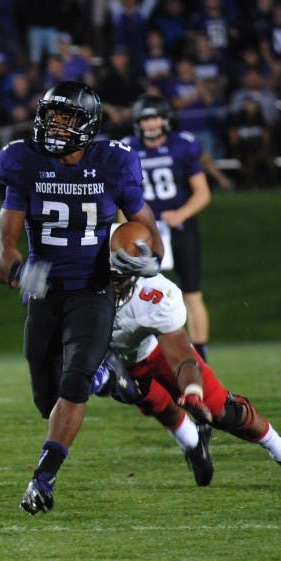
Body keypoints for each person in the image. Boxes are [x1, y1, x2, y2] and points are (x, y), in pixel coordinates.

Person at [0, 81, 164, 514]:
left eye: (67, 118)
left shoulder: (114, 162)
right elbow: (6, 239)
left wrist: (143, 265)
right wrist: (21, 269)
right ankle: (107, 377)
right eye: (52, 115)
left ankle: (43, 479)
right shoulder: (24, 160)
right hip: (47, 289)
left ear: (89, 124)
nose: (56, 125)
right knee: (46, 397)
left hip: (94, 291)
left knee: (73, 383)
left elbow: (150, 234)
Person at [96, 222, 281, 487]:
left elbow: (180, 356)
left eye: (123, 277)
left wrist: (191, 390)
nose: (116, 286)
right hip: (104, 353)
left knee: (222, 411)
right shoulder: (77, 266)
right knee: (144, 398)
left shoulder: (156, 295)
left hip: (150, 350)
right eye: (110, 276)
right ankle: (193, 442)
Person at [124, 94, 212, 361]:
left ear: (165, 119)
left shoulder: (182, 145)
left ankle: (200, 356)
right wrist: (126, 230)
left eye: (154, 117)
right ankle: (151, 354)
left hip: (179, 228)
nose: (150, 124)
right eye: (145, 118)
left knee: (192, 293)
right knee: (140, 294)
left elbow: (203, 193)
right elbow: (123, 197)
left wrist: (180, 214)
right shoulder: (129, 149)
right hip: (145, 232)